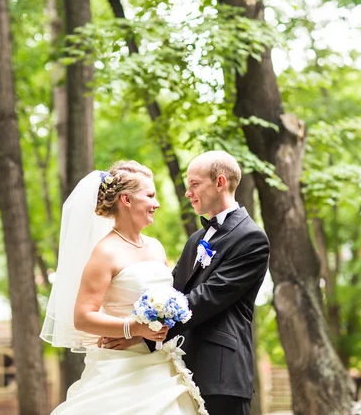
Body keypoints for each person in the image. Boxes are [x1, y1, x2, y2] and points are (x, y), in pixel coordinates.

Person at [103, 151, 270, 415]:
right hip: (180, 369)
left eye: (194, 184)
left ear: (220, 182)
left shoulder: (251, 238)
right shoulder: (196, 239)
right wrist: (134, 324)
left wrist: (141, 330)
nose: (187, 192)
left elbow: (208, 297)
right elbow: (172, 291)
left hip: (221, 373)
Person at [40, 160, 207, 414]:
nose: (157, 203)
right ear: (126, 200)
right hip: (118, 366)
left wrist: (152, 330)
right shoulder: (104, 252)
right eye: (150, 195)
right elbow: (83, 317)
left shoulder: (156, 247)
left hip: (162, 362)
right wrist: (132, 328)